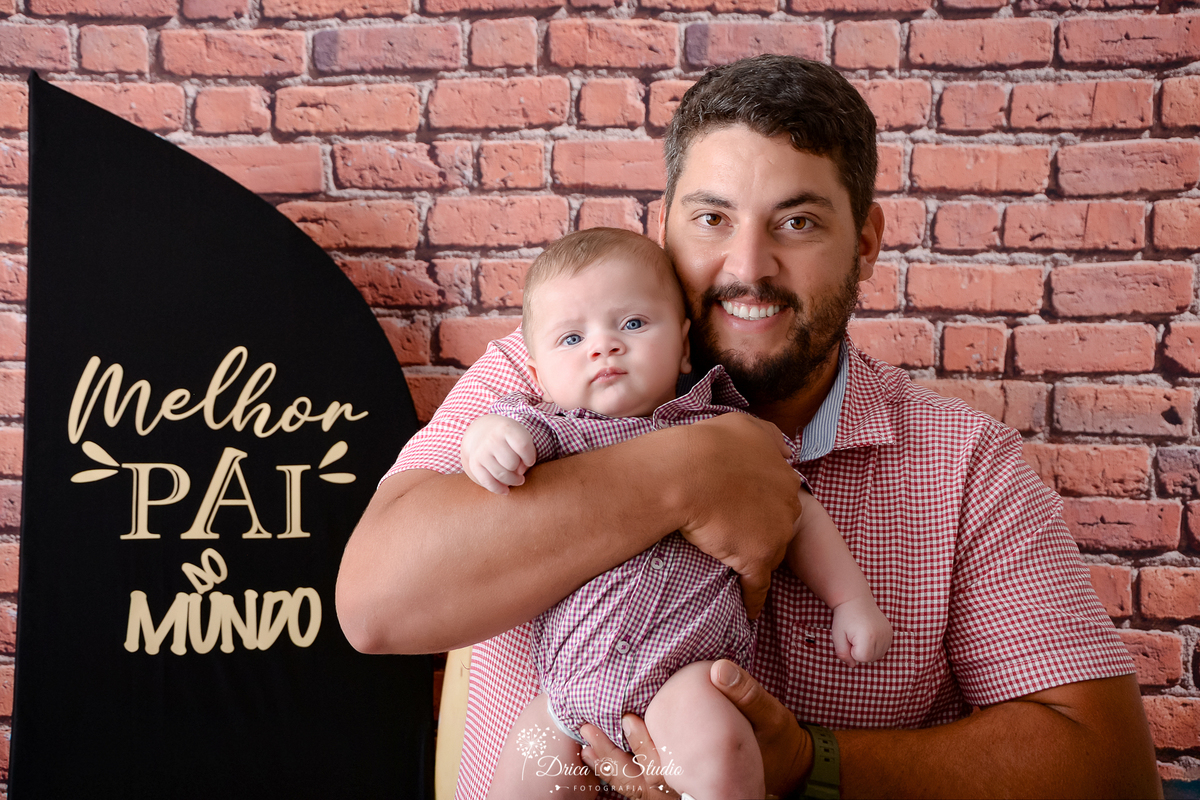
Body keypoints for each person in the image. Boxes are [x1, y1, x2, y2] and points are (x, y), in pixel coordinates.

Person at [336, 54, 1160, 799]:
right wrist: (693, 470)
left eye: (797, 222)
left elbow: (1111, 772)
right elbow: (374, 608)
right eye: (711, 219)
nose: (747, 268)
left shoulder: (962, 465)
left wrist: (808, 761)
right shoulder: (549, 371)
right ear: (662, 229)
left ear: (867, 242)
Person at [460, 227, 891, 799]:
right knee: (526, 769)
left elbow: (796, 508)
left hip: (686, 674)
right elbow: (487, 446)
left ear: (685, 346)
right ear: (536, 376)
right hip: (567, 696)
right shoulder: (547, 432)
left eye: (633, 324)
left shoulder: (725, 433)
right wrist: (487, 441)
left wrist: (850, 600)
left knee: (719, 749)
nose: (603, 346)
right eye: (571, 338)